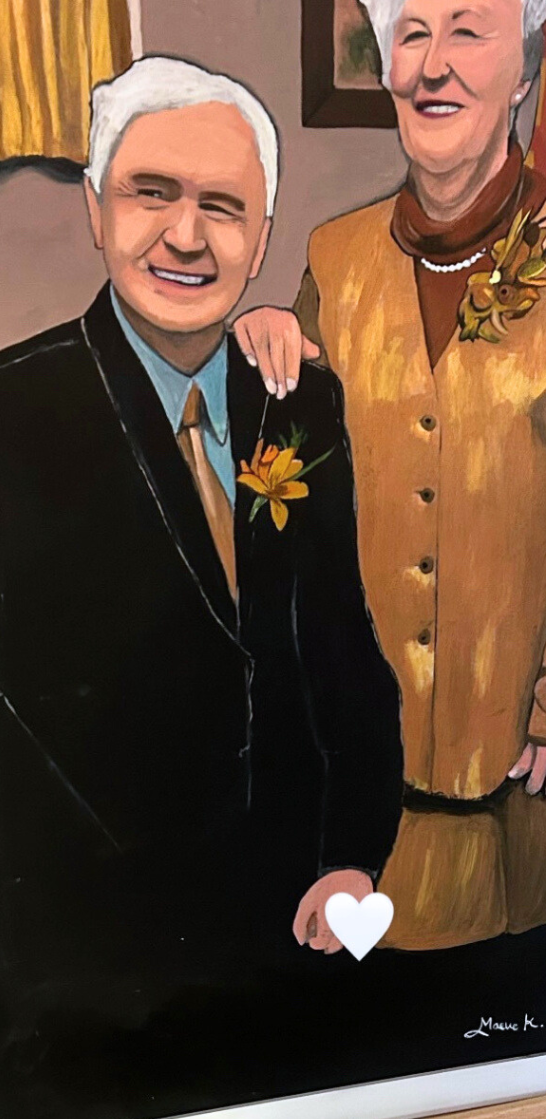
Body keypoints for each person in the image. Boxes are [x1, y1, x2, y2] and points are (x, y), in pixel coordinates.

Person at [0, 56, 404, 1119]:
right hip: (92, 1000)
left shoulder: (299, 401)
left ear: (262, 237)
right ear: (95, 210)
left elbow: (342, 649)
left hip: (297, 954)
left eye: (223, 206)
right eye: (152, 193)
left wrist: (353, 855)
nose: (187, 235)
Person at [233, 0, 546, 949]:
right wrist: (261, 344)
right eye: (412, 35)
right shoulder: (334, 259)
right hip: (362, 813)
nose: (433, 65)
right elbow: (290, 510)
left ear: (526, 72)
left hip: (527, 799)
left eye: (467, 31)